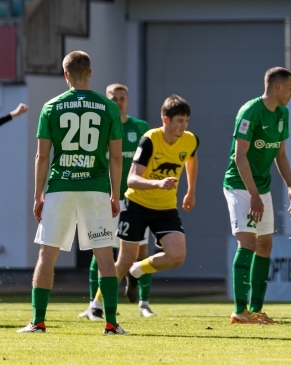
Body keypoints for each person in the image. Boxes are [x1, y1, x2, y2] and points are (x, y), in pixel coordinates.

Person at [18, 51, 127, 334]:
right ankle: (111, 323)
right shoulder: (109, 107)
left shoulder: (51, 106)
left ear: (66, 75)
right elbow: (116, 157)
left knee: (47, 254)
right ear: (90, 73)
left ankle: (38, 321)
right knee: (104, 255)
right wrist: (116, 194)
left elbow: (42, 157)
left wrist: (37, 195)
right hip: (96, 188)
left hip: (60, 188)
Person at [90, 94, 198, 310]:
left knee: (177, 256)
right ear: (166, 120)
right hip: (136, 205)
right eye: (179, 120)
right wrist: (158, 184)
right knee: (123, 260)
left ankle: (138, 270)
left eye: (186, 120)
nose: (183, 125)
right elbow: (132, 179)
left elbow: (192, 159)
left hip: (166, 207)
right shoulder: (149, 140)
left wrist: (191, 191)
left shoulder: (190, 139)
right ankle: (96, 305)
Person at [223, 67, 291, 324]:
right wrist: (253, 195)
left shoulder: (283, 113)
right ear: (278, 87)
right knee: (248, 243)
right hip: (239, 185)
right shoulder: (249, 112)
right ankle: (239, 310)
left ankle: (256, 310)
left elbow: (280, 155)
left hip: (262, 188)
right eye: (290, 88)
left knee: (265, 245)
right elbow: (240, 156)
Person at [78, 83, 153, 321]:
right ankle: (94, 305)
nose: (118, 101)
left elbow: (150, 162)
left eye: (122, 97)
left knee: (140, 251)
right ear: (108, 101)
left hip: (134, 199)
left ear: (128, 101)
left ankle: (144, 302)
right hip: (106, 198)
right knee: (100, 249)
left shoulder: (140, 128)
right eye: (113, 97)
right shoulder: (100, 125)